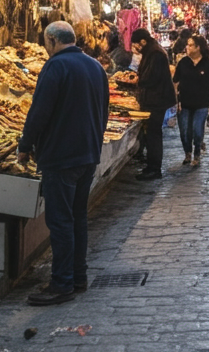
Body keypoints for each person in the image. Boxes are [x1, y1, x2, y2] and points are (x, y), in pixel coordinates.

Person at [16, 21, 109, 305]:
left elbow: (39, 112)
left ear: (52, 41)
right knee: (77, 219)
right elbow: (104, 110)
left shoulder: (56, 67)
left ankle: (62, 284)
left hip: (61, 157)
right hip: (87, 156)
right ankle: (78, 276)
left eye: (46, 44)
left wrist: (25, 145)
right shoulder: (95, 67)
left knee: (60, 223)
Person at [131, 29, 175, 181]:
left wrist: (137, 81)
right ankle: (151, 165)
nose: (135, 48)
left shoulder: (155, 53)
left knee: (153, 134)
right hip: (154, 99)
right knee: (151, 134)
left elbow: (150, 77)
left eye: (136, 44)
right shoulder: (152, 51)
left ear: (143, 41)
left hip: (157, 100)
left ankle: (154, 169)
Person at [172, 34, 209, 167]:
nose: (187, 47)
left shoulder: (208, 64)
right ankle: (187, 153)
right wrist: (176, 100)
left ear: (198, 47)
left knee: (197, 130)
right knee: (184, 131)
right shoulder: (183, 62)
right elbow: (176, 80)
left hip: (202, 103)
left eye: (190, 45)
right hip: (185, 102)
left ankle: (197, 153)